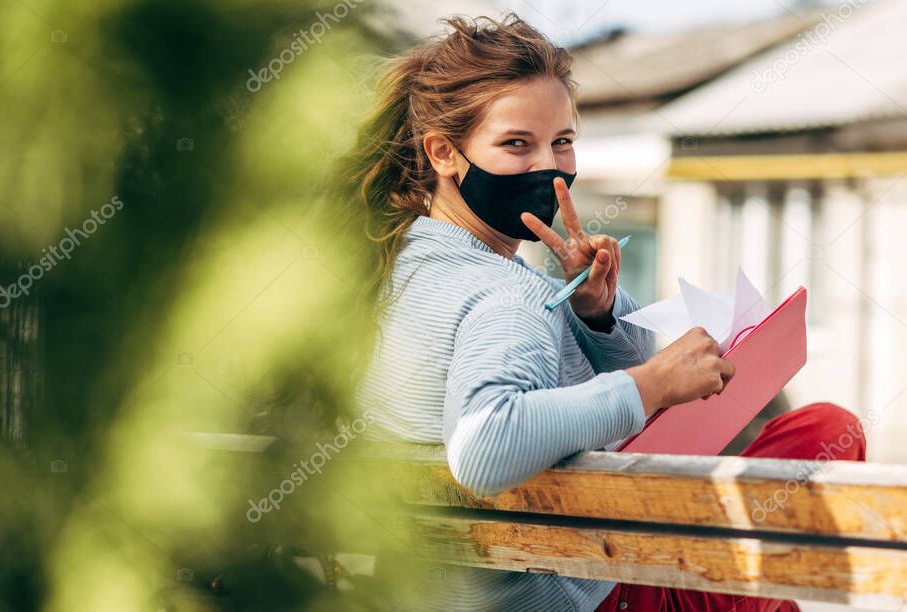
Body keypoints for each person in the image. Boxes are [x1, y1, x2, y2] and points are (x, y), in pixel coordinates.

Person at [347, 13, 866, 612]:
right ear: (444, 153)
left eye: (562, 142)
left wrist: (597, 313)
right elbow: (483, 445)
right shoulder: (506, 294)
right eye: (517, 144)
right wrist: (651, 383)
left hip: (454, 586)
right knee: (827, 432)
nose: (549, 165)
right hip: (580, 590)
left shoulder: (395, 264)